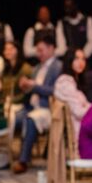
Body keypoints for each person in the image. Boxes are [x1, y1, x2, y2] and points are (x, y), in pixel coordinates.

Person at [12, 35, 62, 174]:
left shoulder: (58, 67)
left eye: (41, 50)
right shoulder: (37, 68)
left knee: (31, 120)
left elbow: (56, 91)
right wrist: (25, 86)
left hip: (48, 108)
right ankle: (5, 157)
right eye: (37, 50)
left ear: (51, 48)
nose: (38, 54)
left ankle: (23, 160)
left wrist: (34, 86)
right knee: (11, 118)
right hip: (31, 106)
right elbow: (31, 89)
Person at [53, 47, 92, 132]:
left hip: (81, 126)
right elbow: (78, 111)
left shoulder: (74, 82)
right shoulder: (65, 82)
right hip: (77, 131)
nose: (81, 62)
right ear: (69, 60)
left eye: (83, 59)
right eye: (76, 58)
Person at [1, 40, 34, 106]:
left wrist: (13, 100)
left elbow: (27, 91)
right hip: (7, 103)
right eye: (6, 49)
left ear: (18, 50)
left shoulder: (25, 68)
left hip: (22, 104)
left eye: (11, 49)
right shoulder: (6, 69)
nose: (7, 52)